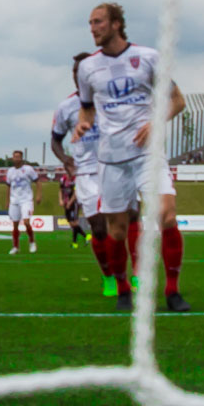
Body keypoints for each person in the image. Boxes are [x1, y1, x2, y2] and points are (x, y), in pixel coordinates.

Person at [74, 2, 188, 312]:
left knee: (166, 215)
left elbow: (177, 101)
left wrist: (154, 122)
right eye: (90, 22)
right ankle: (123, 288)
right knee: (117, 230)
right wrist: (84, 121)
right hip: (111, 159)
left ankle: (172, 291)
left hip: (146, 154)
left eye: (97, 22)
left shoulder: (149, 58)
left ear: (115, 24)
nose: (92, 28)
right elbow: (87, 106)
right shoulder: (87, 68)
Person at [53, 52, 119, 291]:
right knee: (99, 228)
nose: (78, 76)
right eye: (75, 72)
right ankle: (108, 277)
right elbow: (55, 140)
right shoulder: (66, 107)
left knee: (122, 226)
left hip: (114, 168)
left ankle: (128, 276)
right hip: (85, 174)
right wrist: (65, 159)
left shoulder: (109, 100)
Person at [4, 150, 41, 254]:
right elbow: (8, 186)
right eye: (15, 157)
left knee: (26, 222)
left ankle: (32, 242)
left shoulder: (28, 169)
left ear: (21, 158)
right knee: (15, 225)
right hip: (14, 201)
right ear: (12, 158)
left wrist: (38, 195)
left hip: (26, 200)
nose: (16, 159)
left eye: (18, 157)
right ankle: (15, 246)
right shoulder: (10, 171)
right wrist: (7, 201)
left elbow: (38, 181)